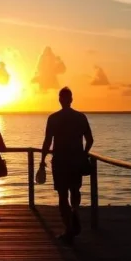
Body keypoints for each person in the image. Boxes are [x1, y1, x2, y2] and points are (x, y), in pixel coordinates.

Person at [39, 87, 93, 244]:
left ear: (60, 99)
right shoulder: (80, 117)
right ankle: (75, 210)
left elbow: (47, 141)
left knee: (62, 195)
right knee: (75, 190)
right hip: (76, 160)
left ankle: (68, 228)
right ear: (71, 99)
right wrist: (84, 153)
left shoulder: (53, 118)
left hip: (60, 161)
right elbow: (90, 140)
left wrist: (42, 160)